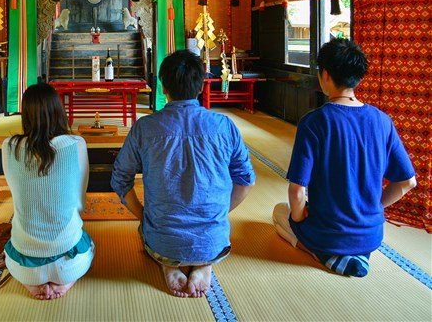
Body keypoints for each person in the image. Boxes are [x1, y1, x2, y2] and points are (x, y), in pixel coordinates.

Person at [111, 50, 255, 298]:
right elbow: (246, 181)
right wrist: (217, 213)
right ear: (200, 86)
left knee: (147, 232)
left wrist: (144, 216)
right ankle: (204, 263)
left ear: (163, 87)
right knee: (207, 236)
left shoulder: (144, 128)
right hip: (214, 240)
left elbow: (120, 181)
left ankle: (168, 262)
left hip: (161, 239)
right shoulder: (224, 126)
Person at [272, 38, 417, 277]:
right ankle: (354, 254)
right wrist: (371, 208)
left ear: (325, 75)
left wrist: (298, 218)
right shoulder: (382, 121)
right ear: (358, 77)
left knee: (280, 212)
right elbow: (407, 182)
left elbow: (297, 190)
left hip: (327, 233)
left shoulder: (314, 122)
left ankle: (322, 254)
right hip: (371, 235)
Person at [2, 83, 94, 300]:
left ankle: (33, 284)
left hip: (22, 266)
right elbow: (79, 202)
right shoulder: (76, 144)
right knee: (90, 243)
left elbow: (16, 193)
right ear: (58, 111)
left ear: (26, 115)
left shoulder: (9, 146)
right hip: (69, 264)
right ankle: (65, 283)